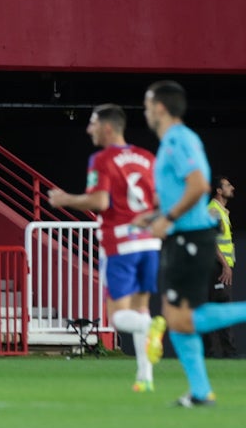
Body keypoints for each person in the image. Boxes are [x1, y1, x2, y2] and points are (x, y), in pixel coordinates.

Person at [137, 81, 246, 407]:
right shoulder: (172, 141)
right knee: (178, 318)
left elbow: (198, 185)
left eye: (146, 105)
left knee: (180, 319)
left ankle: (200, 389)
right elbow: (179, 192)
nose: (144, 111)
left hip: (191, 239)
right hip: (183, 237)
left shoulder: (179, 140)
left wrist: (167, 219)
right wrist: (152, 217)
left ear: (159, 108)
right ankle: (200, 392)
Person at [46, 103, 161, 393]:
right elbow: (158, 200)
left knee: (121, 317)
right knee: (141, 308)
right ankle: (145, 377)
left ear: (107, 127)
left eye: (93, 123)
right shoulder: (147, 157)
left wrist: (65, 199)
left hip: (120, 242)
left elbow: (100, 202)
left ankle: (151, 330)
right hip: (149, 241)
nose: (88, 129)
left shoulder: (102, 159)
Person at [207, 176, 236, 359]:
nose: (232, 187)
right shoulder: (213, 211)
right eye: (228, 185)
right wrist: (225, 266)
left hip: (220, 268)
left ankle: (221, 354)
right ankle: (226, 354)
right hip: (216, 268)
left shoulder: (222, 211)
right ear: (219, 190)